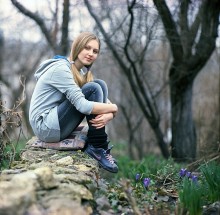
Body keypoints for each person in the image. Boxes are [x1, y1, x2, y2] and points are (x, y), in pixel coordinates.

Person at [29, 32, 118, 173]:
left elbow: (105, 102)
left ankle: (98, 147)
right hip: (45, 126)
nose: (91, 53)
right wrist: (114, 107)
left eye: (95, 51)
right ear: (77, 47)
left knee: (99, 84)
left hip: (55, 123)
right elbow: (83, 105)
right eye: (87, 48)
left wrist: (111, 113)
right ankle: (98, 146)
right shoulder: (61, 69)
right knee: (93, 88)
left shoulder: (78, 72)